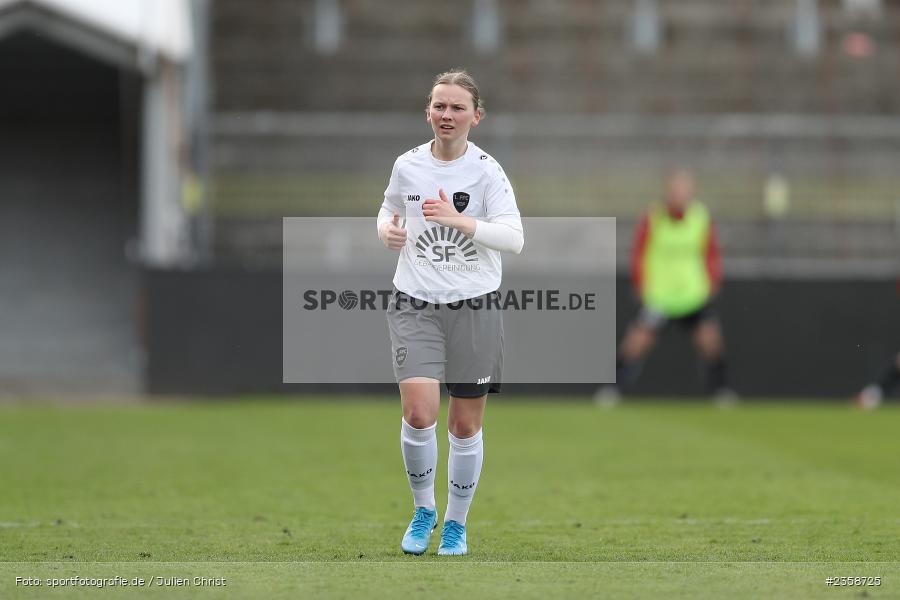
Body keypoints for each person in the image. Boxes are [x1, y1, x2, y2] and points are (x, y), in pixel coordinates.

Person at [376, 70, 524, 556]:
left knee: (464, 425)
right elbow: (387, 211)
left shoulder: (487, 172)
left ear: (475, 117)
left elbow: (514, 238)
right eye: (440, 105)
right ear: (428, 112)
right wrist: (386, 232)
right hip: (414, 301)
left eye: (458, 107)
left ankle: (457, 524)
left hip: (474, 303)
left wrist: (460, 221)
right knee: (419, 413)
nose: (447, 114)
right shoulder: (407, 165)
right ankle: (424, 511)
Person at [595, 169, 734, 404]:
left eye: (684, 192)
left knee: (711, 342)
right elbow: (639, 252)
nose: (680, 197)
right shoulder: (653, 217)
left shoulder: (701, 217)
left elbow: (711, 252)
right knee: (636, 343)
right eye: (676, 192)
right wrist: (640, 282)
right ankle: (613, 389)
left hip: (692, 295)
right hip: (661, 296)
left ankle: (720, 390)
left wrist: (713, 279)